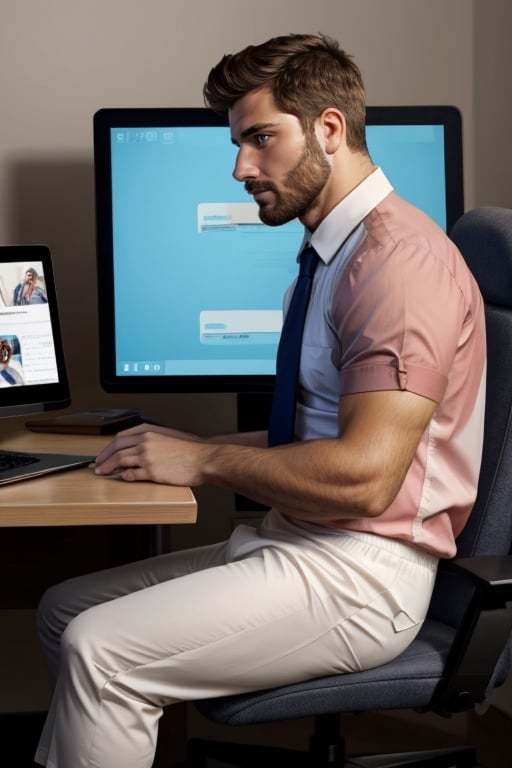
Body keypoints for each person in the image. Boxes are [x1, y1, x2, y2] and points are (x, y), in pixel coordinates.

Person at [35, 33, 486, 768]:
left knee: (101, 652)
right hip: (300, 537)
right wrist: (171, 448)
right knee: (64, 611)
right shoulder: (334, 253)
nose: (241, 166)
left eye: (260, 139)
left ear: (329, 130)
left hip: (361, 572)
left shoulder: (397, 268)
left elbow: (367, 478)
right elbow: (315, 435)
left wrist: (207, 460)